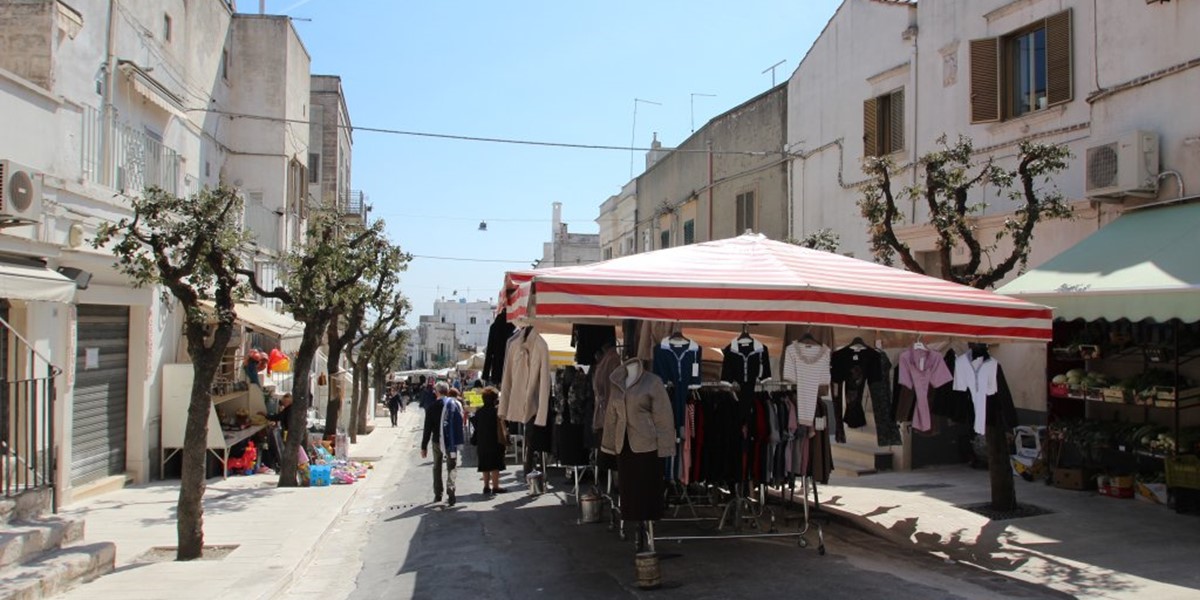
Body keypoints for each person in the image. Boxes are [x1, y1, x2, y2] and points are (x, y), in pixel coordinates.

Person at [421, 382, 465, 505]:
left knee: (437, 466)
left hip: (436, 441)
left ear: (437, 392)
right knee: (452, 465)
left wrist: (424, 446)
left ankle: (438, 494)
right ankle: (451, 487)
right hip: (450, 440)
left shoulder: (432, 407)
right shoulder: (454, 405)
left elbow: (427, 428)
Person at [470, 386, 506, 494]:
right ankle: (495, 486)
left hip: (482, 441)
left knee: (485, 464)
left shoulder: (479, 412)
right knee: (495, 465)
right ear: (495, 399)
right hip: (495, 441)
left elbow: (476, 425)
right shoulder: (497, 412)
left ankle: (486, 486)